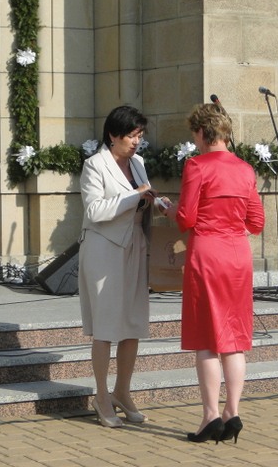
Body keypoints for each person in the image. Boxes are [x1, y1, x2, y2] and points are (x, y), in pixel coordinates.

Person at [161, 103, 265, 443]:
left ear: (202, 132)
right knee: (233, 339)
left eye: (194, 134)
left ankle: (210, 415)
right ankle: (232, 411)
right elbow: (256, 222)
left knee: (207, 338)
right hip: (238, 257)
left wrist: (169, 209)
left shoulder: (197, 166)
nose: (194, 140)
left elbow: (187, 218)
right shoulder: (245, 169)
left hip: (208, 254)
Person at [78, 105, 157, 428]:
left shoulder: (138, 163)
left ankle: (122, 392)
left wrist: (157, 201)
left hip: (135, 244)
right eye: (131, 135)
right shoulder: (94, 165)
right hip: (103, 249)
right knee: (107, 325)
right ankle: (101, 395)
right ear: (113, 135)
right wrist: (136, 196)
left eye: (140, 135)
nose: (136, 142)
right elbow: (95, 211)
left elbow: (142, 198)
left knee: (133, 322)